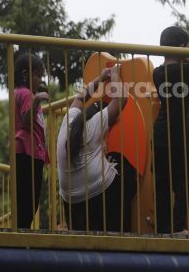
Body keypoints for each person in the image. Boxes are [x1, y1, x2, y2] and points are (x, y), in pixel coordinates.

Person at [57, 66, 137, 232]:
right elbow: (121, 98)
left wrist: (100, 78)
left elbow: (80, 98)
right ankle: (122, 228)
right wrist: (114, 75)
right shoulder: (95, 123)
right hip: (97, 194)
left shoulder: (69, 120)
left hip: (70, 201)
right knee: (123, 164)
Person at [153, 26, 189, 234]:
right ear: (182, 48)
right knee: (187, 181)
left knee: (162, 184)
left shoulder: (158, 73)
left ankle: (162, 229)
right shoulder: (185, 72)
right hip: (178, 136)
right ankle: (178, 227)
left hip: (159, 134)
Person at [13, 52, 49, 229]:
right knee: (29, 200)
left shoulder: (19, 93)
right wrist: (37, 100)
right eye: (39, 75)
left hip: (29, 152)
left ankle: (22, 230)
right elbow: (27, 120)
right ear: (25, 74)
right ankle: (22, 232)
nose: (40, 80)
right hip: (29, 153)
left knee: (25, 199)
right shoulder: (27, 94)